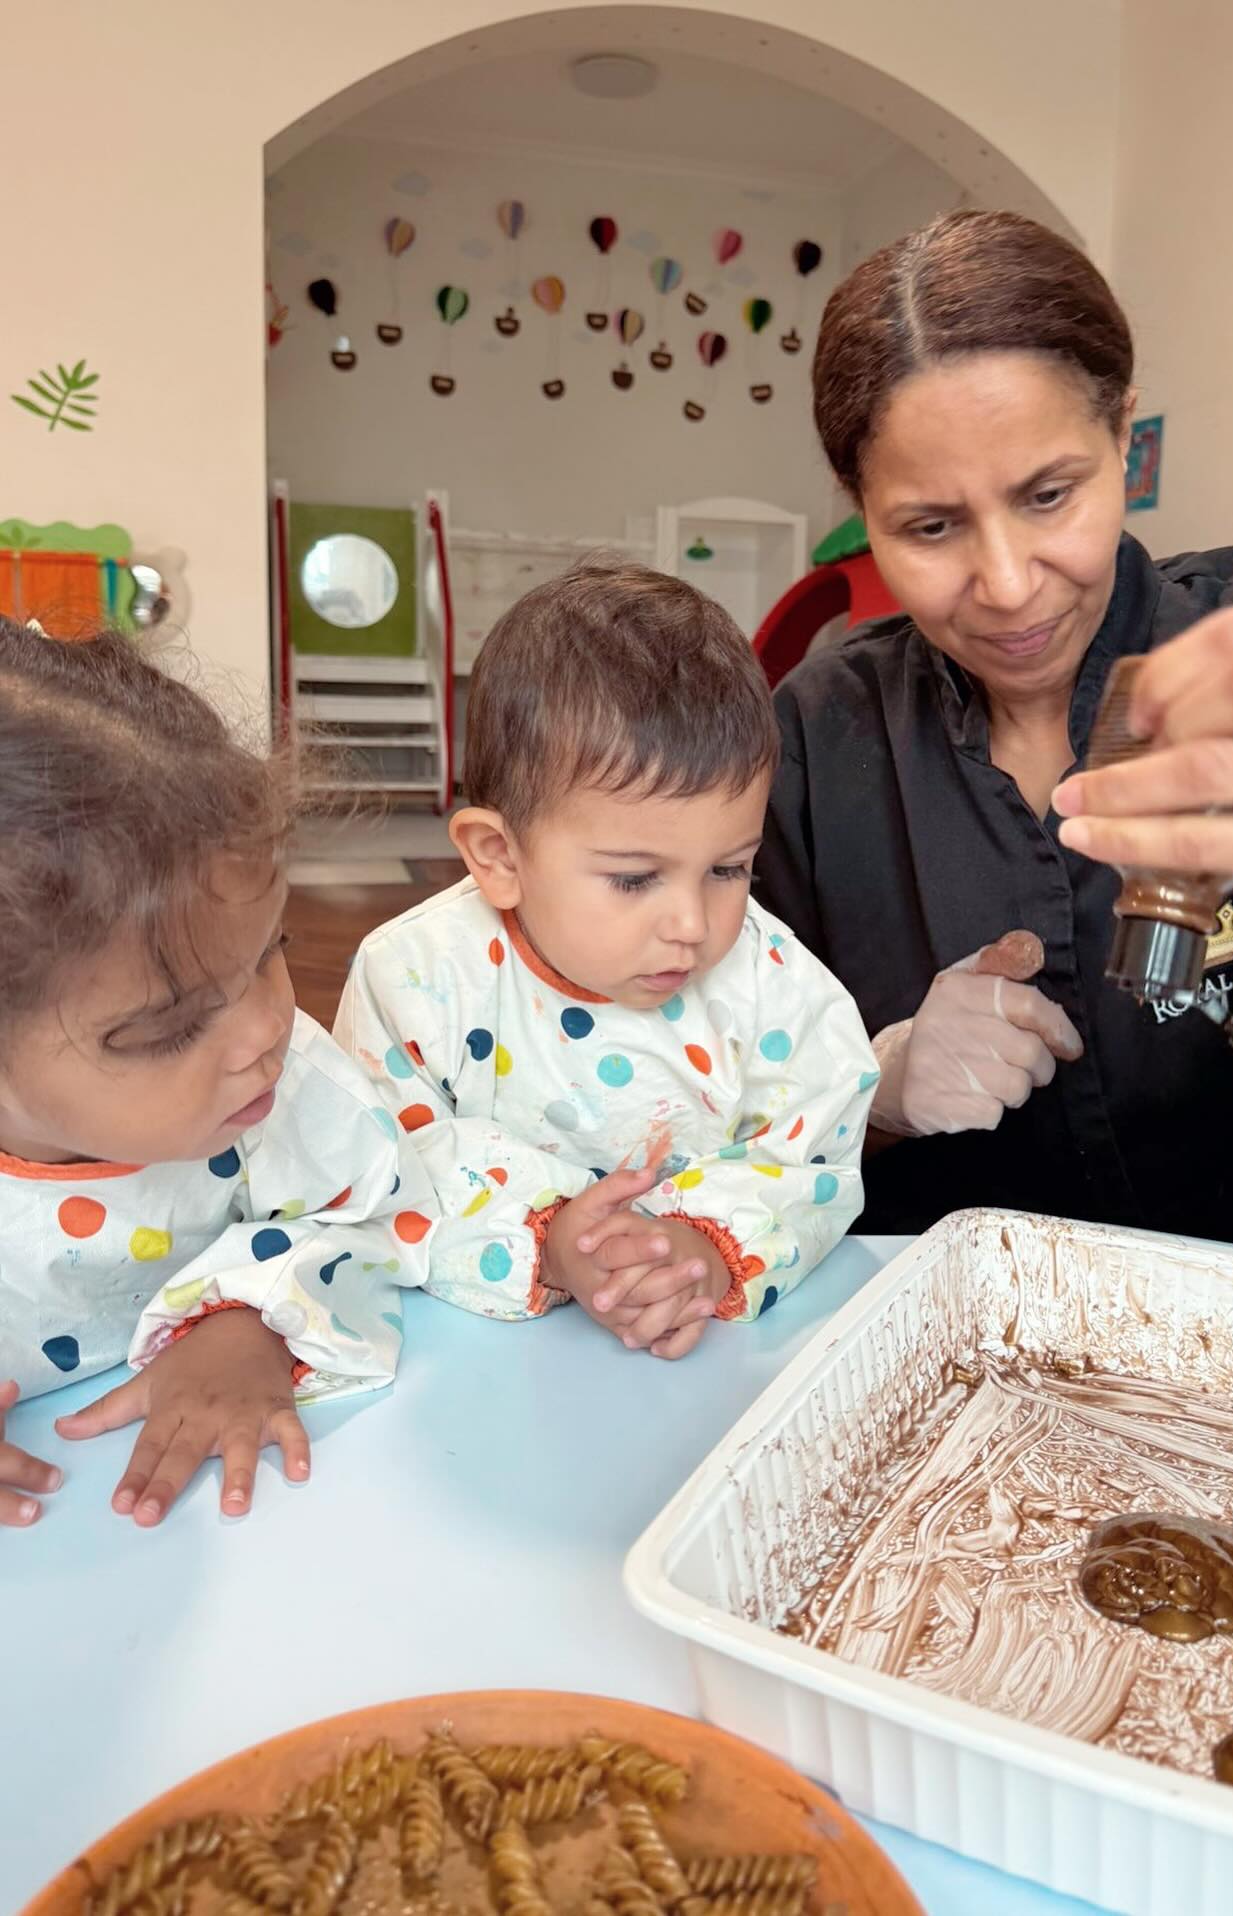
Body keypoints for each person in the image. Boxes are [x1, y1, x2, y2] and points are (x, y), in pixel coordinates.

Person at [755, 209, 1233, 1266]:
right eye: (931, 526)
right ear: (862, 509)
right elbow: (719, 1102)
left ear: (1124, 433)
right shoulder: (813, 739)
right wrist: (880, 1091)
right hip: (951, 1338)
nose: (1009, 583)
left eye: (1048, 494)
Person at [335, 559, 875, 1357]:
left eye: (728, 868)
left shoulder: (772, 982)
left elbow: (814, 1150)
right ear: (499, 856)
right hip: (475, 1366)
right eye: (634, 878)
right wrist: (550, 1243)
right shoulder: (412, 977)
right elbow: (383, 1163)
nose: (692, 923)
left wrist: (703, 1250)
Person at [0, 620, 430, 1530]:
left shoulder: (283, 1089)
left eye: (270, 951)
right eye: (174, 1023)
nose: (267, 1027)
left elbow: (370, 1204)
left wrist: (249, 1316)